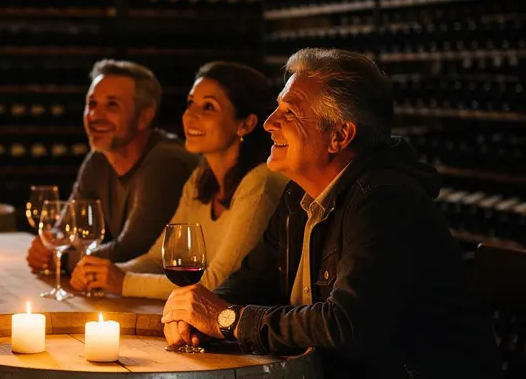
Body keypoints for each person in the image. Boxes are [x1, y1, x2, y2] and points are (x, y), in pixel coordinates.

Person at [160, 49, 501, 378]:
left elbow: (347, 325)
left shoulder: (385, 201)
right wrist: (200, 314)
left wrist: (226, 321)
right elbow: (254, 278)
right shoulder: (299, 194)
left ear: (339, 135)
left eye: (289, 112)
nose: (268, 123)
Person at [70, 62, 287, 299]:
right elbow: (157, 258)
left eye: (208, 107)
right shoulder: (200, 180)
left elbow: (217, 283)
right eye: (191, 103)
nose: (191, 116)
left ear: (246, 124)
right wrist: (105, 274)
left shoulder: (260, 183)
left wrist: (123, 282)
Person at [26, 60, 196, 272]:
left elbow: (131, 250)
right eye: (92, 104)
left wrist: (60, 259)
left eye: (112, 105)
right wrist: (48, 247)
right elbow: (65, 230)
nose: (95, 116)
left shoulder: (165, 162)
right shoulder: (98, 160)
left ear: (144, 117)